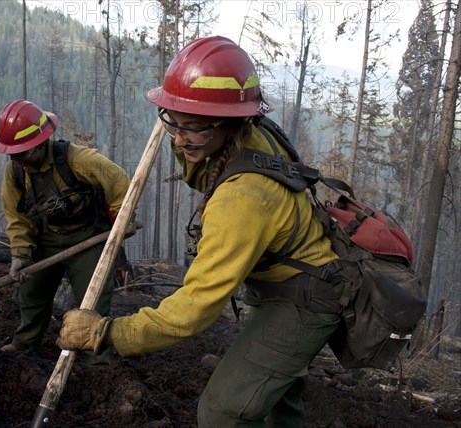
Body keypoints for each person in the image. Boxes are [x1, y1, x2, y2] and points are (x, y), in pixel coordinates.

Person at [57, 36, 342, 426]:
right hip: (294, 278)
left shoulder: (242, 199)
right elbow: (202, 165)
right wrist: (182, 116)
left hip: (304, 300)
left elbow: (192, 311)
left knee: (222, 413)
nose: (178, 138)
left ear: (231, 122)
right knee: (276, 397)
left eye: (192, 128)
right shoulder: (252, 135)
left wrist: (108, 333)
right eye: (173, 122)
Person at [0, 99, 131, 354]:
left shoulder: (77, 159)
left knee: (93, 302)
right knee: (31, 292)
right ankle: (24, 345)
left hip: (88, 237)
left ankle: (96, 358)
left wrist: (123, 218)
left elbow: (118, 180)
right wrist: (20, 254)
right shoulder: (15, 173)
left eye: (22, 152)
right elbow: (16, 216)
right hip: (46, 239)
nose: (17, 158)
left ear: (39, 142)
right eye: (13, 153)